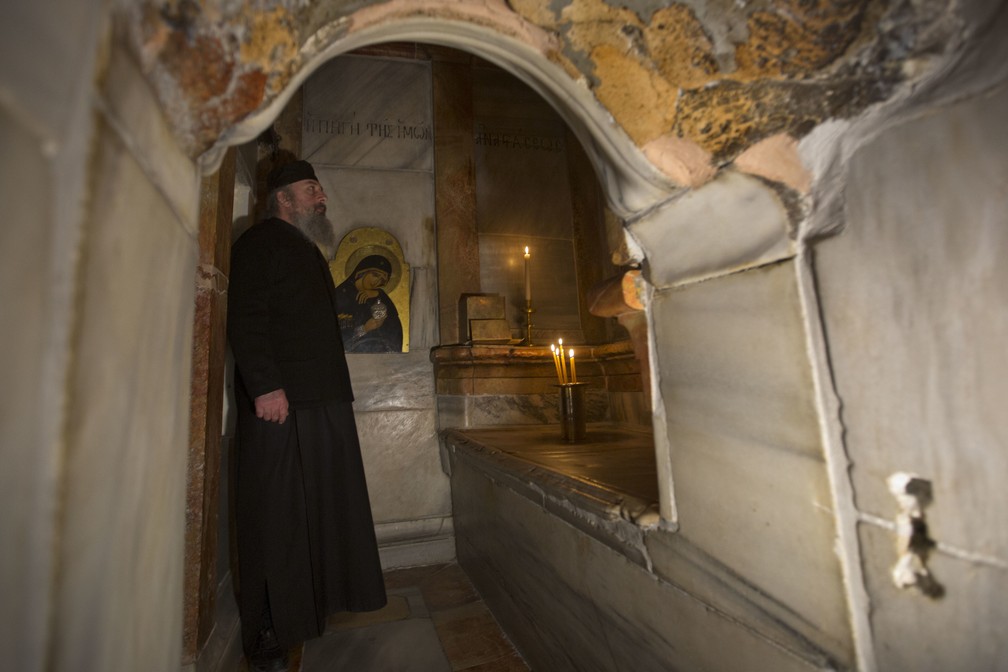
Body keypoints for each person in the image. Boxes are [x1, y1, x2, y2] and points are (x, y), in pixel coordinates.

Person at [227, 160, 387, 672]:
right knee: (275, 514)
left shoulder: (307, 250)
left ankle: (313, 607)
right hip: (281, 403)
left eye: (319, 189)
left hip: (322, 401)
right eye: (310, 189)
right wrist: (266, 385)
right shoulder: (259, 243)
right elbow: (246, 317)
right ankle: (269, 629)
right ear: (282, 198)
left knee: (319, 509)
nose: (321, 198)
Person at [334, 254, 404, 353]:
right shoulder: (342, 294)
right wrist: (365, 328)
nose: (377, 282)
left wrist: (377, 295)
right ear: (361, 272)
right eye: (375, 275)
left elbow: (395, 328)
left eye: (382, 280)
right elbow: (339, 337)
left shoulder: (380, 295)